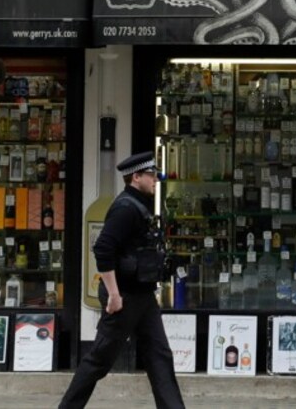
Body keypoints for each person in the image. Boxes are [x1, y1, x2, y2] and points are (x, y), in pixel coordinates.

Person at [60, 152, 184, 409]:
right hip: (124, 297)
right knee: (98, 361)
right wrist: (114, 294)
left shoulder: (138, 205)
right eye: (151, 176)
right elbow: (103, 248)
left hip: (143, 297)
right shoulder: (125, 208)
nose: (155, 180)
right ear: (136, 177)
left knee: (159, 356)